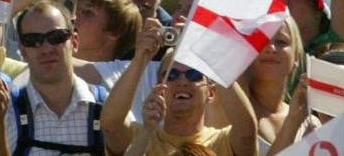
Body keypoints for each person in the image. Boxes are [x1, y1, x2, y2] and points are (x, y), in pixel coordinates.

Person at [98, 18, 256, 156]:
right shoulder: (141, 135)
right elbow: (111, 125)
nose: (182, 81)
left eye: (193, 75)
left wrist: (211, 54)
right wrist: (140, 57)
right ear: (160, 87)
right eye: (171, 75)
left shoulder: (223, 141)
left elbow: (247, 131)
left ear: (212, 92)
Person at [0, 0, 103, 156]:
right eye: (33, 40)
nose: (46, 49)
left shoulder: (105, 106)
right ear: (23, 50)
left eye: (56, 37)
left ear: (74, 42)